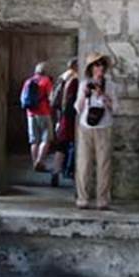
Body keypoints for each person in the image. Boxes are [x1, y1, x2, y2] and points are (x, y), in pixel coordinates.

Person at [74, 53, 118, 210]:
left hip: (104, 127)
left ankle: (103, 200)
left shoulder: (111, 85)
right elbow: (78, 109)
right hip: (85, 127)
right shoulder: (84, 84)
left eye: (102, 65)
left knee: (104, 164)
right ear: (90, 68)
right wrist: (85, 95)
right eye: (96, 65)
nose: (100, 68)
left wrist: (103, 95)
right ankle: (83, 198)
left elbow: (116, 108)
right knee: (83, 163)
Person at [49, 59, 79, 187]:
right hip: (71, 117)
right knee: (74, 144)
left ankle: (56, 171)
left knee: (61, 146)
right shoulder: (75, 80)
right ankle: (71, 171)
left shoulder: (62, 77)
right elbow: (73, 101)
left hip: (61, 115)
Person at [21, 62, 54, 171]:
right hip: (44, 112)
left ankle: (34, 162)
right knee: (46, 138)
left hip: (30, 113)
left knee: (34, 140)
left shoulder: (28, 81)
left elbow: (22, 98)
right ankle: (40, 161)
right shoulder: (46, 81)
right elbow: (51, 97)